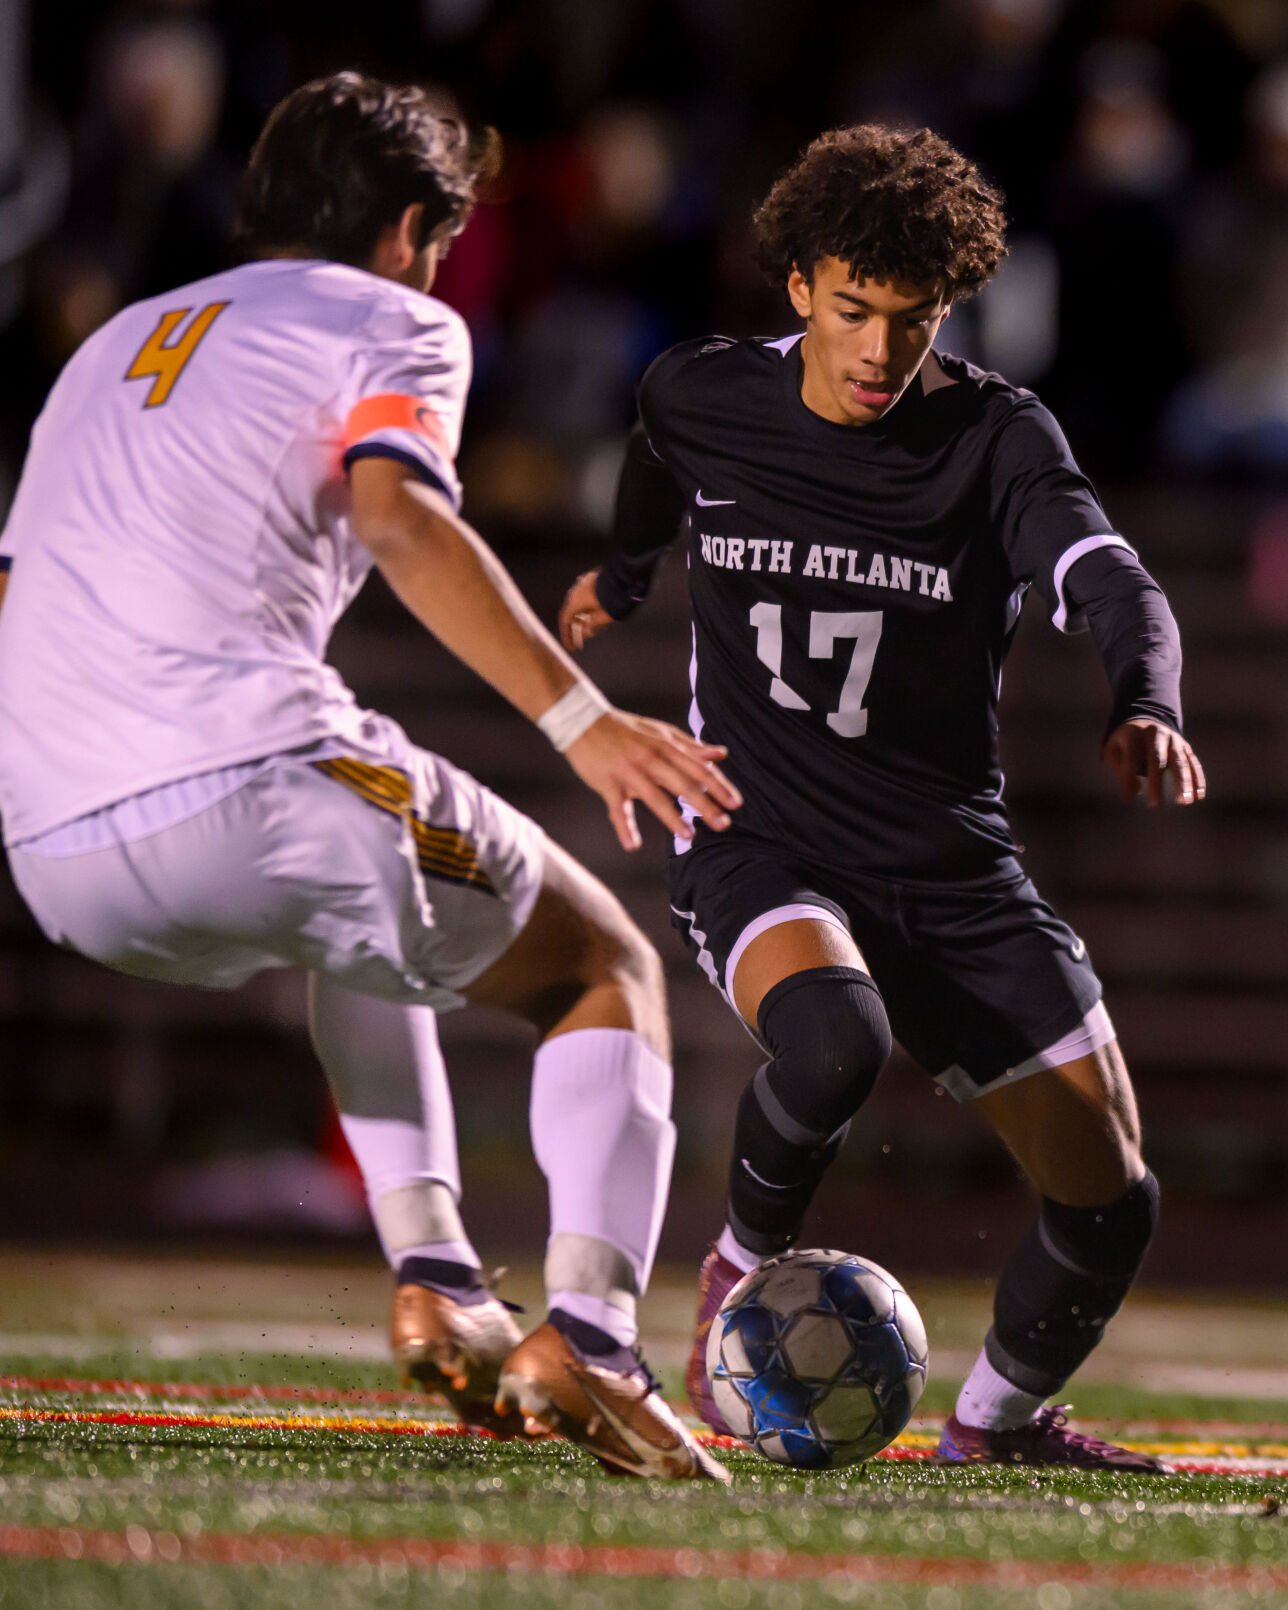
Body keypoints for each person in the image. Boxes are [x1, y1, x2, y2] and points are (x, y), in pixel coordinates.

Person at [0, 72, 742, 1483]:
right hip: (241, 778)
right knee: (606, 966)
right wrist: (583, 720)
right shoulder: (395, 317)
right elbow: (397, 515)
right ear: (412, 229)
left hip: (51, 844)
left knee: (371, 920)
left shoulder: (108, 346)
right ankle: (590, 1333)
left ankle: (440, 1273)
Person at [559, 124, 1205, 1470]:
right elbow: (652, 459)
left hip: (949, 867)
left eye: (911, 322)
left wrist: (1146, 697)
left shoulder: (994, 436)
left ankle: (993, 1429)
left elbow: (1115, 581)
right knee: (836, 1037)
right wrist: (623, 576)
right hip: (759, 836)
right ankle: (738, 1268)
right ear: (798, 285)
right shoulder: (702, 393)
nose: (876, 351)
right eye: (853, 309)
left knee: (1112, 1203)